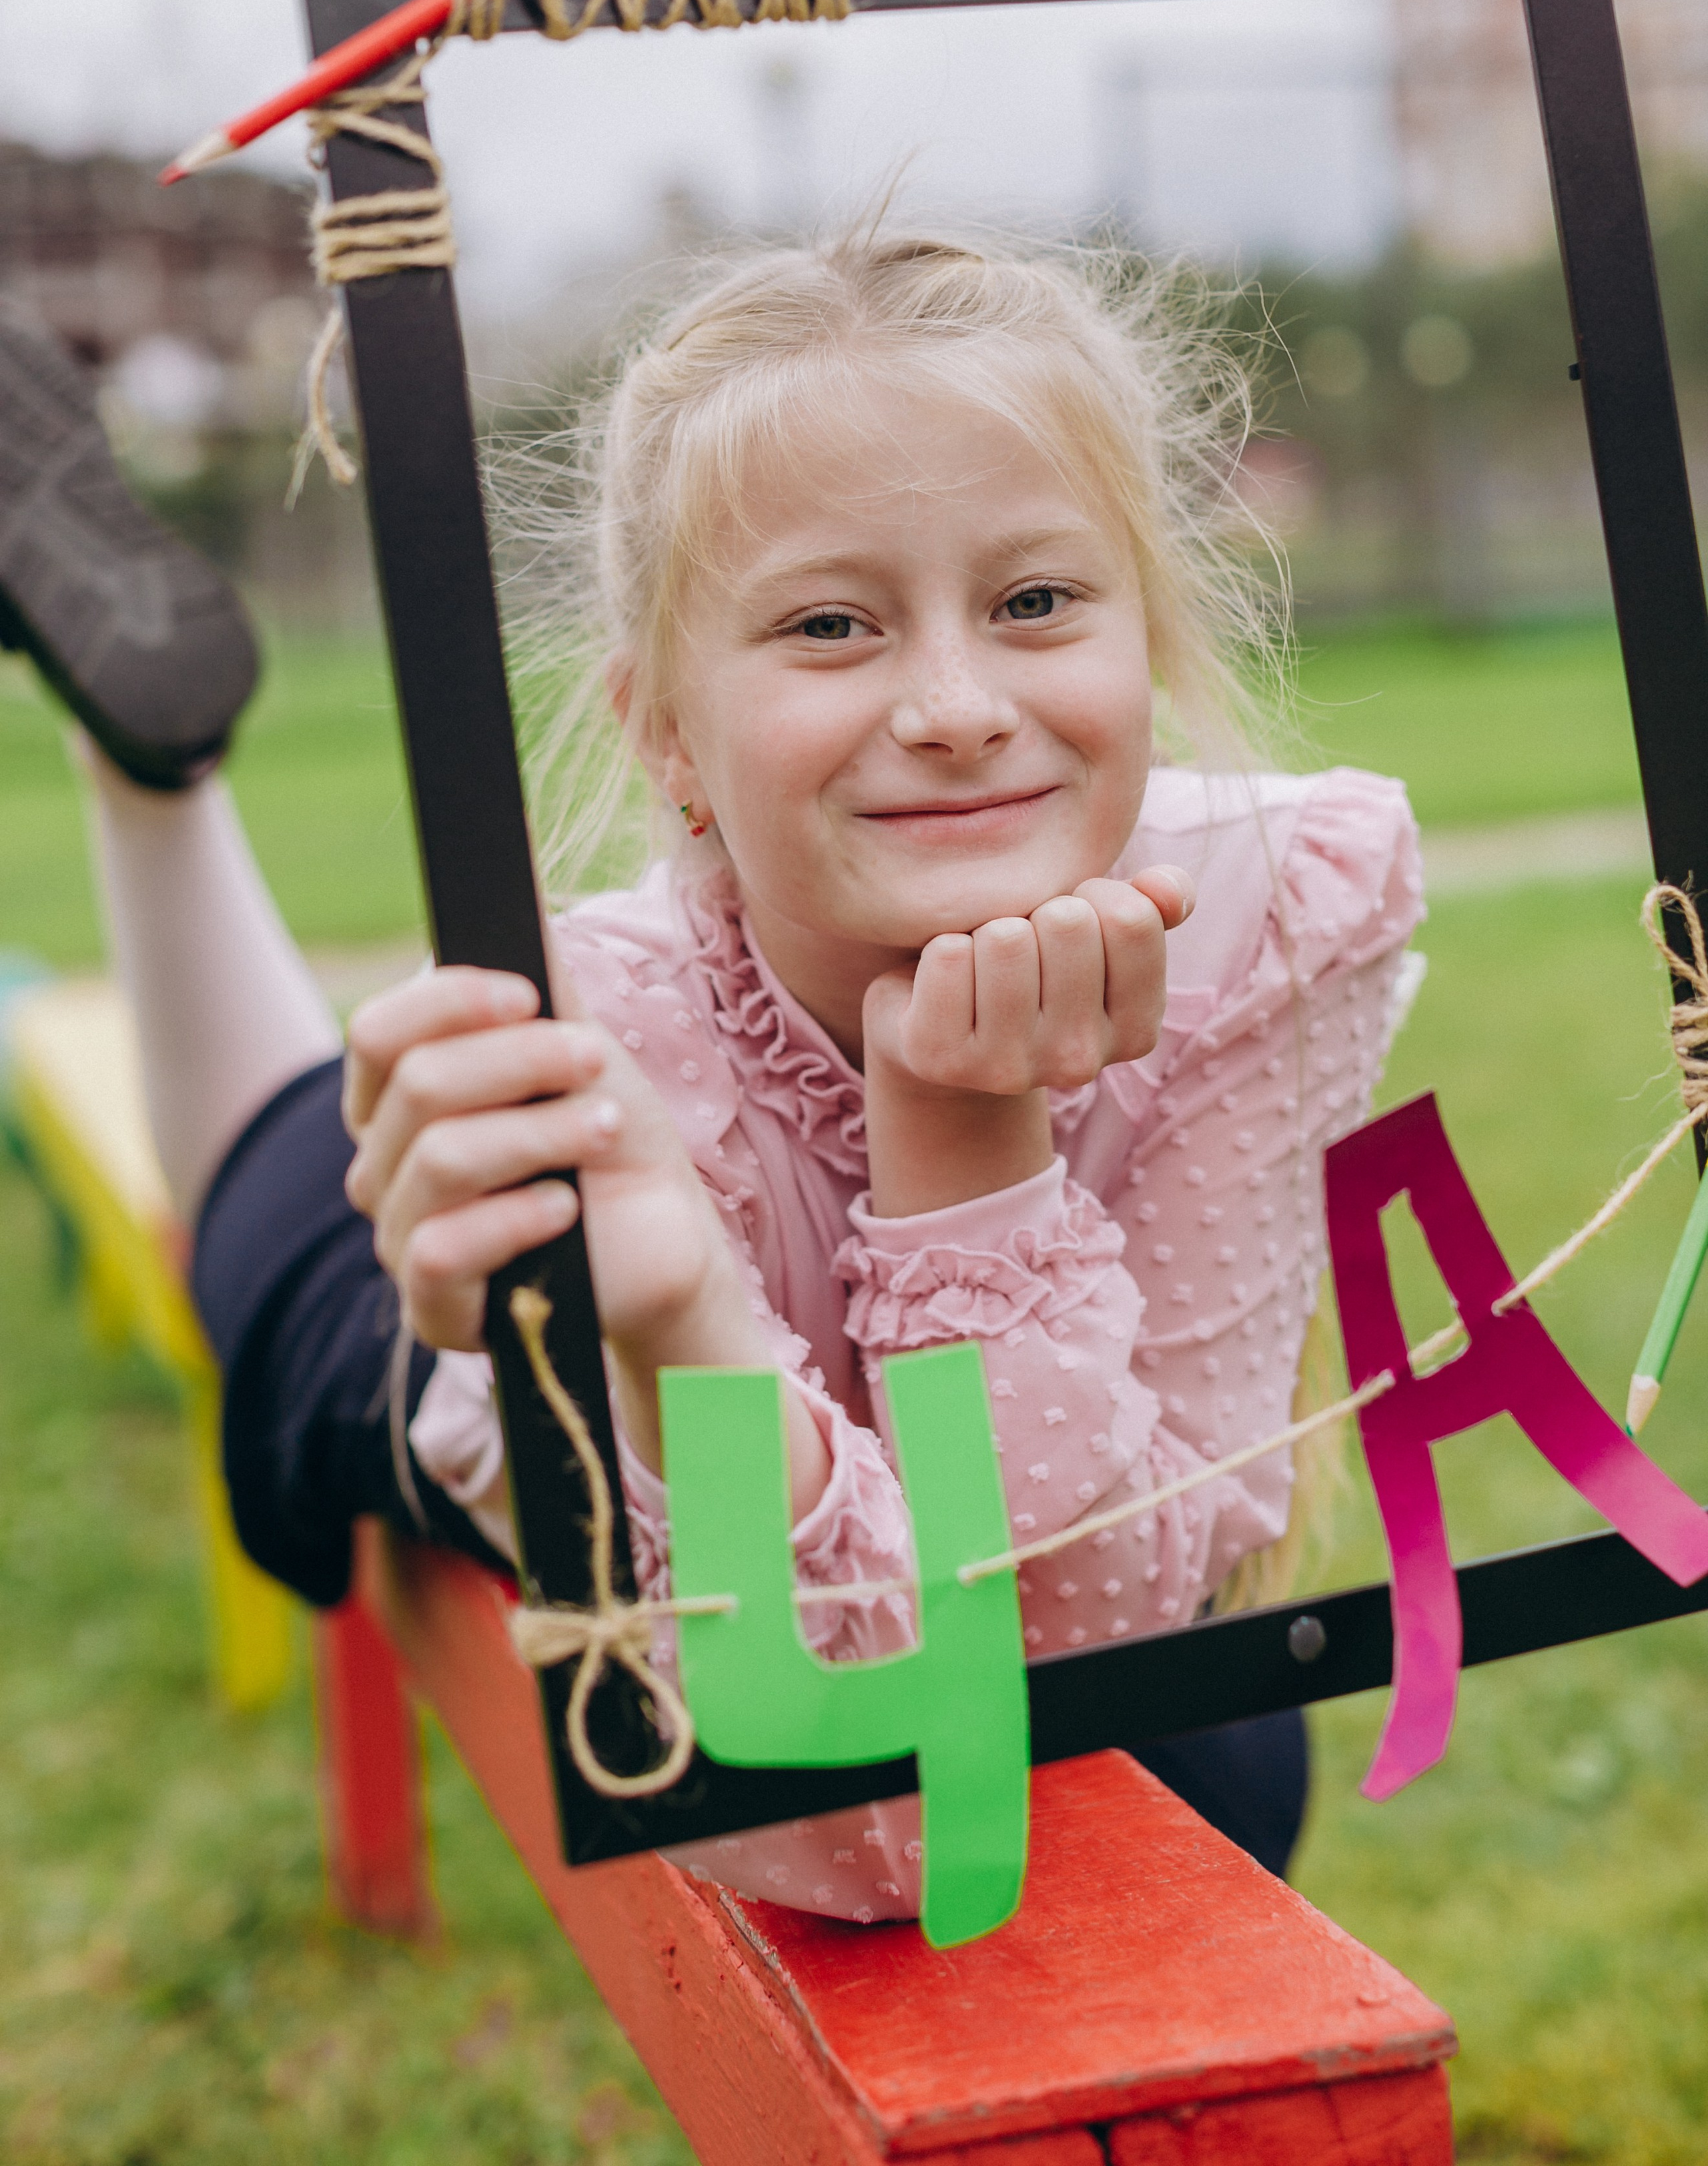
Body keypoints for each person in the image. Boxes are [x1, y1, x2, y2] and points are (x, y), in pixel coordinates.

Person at [0, 235, 1422, 1911]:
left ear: (1151, 642)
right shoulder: (599, 1048)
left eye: (1034, 601)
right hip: (535, 1338)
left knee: (1228, 1765)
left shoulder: (1269, 916)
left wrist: (962, 1138)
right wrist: (681, 1325)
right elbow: (850, 1790)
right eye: (831, 624)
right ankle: (154, 765)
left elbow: (1063, 1627)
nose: (960, 706)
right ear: (667, 736)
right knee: (277, 1223)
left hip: (1005, 1521)